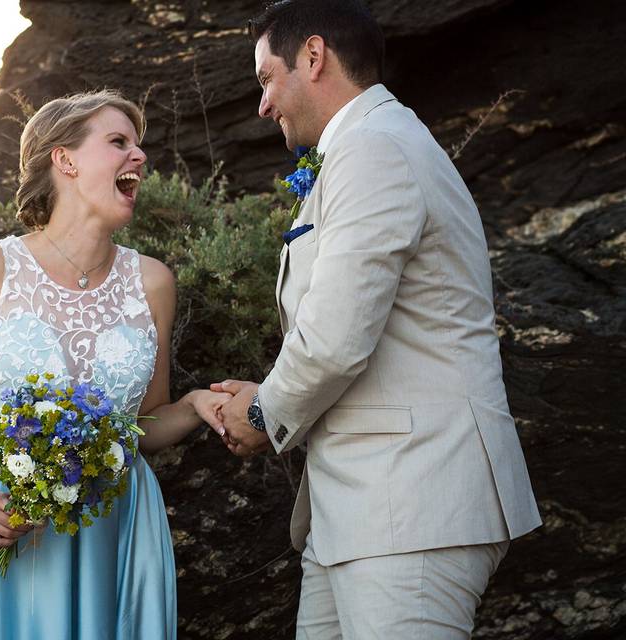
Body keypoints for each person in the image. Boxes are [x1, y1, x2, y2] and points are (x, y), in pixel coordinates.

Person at [209, 1, 543, 637]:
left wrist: (261, 412)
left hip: (411, 503)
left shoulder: (374, 149)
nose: (262, 104)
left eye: (265, 80)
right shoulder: (365, 148)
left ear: (313, 56)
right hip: (356, 513)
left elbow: (334, 340)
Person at [0, 89, 228, 640]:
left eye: (139, 145)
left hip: (117, 533)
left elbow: (144, 427)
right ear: (66, 159)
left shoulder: (152, 283)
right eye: (118, 142)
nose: (140, 157)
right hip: (16, 531)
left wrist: (196, 405)